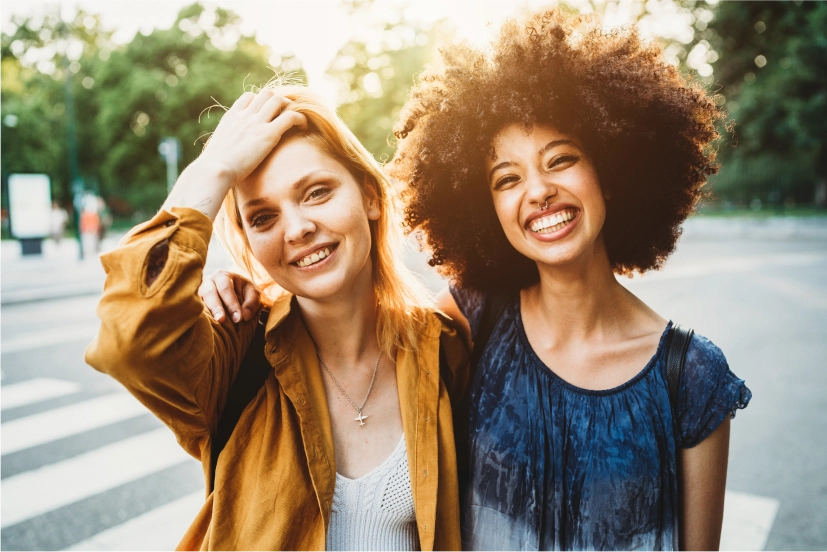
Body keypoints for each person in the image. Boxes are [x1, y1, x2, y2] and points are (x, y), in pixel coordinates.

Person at [386, 9, 752, 552]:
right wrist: (255, 302)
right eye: (506, 179)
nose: (538, 191)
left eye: (561, 160)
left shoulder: (692, 376)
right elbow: (351, 358)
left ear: (612, 171)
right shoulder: (475, 316)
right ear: (485, 209)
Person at [85, 86, 468, 551]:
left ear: (370, 196)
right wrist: (213, 169)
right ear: (248, 243)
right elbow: (129, 339)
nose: (297, 228)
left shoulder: (444, 348)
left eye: (317, 192)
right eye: (263, 218)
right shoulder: (236, 353)